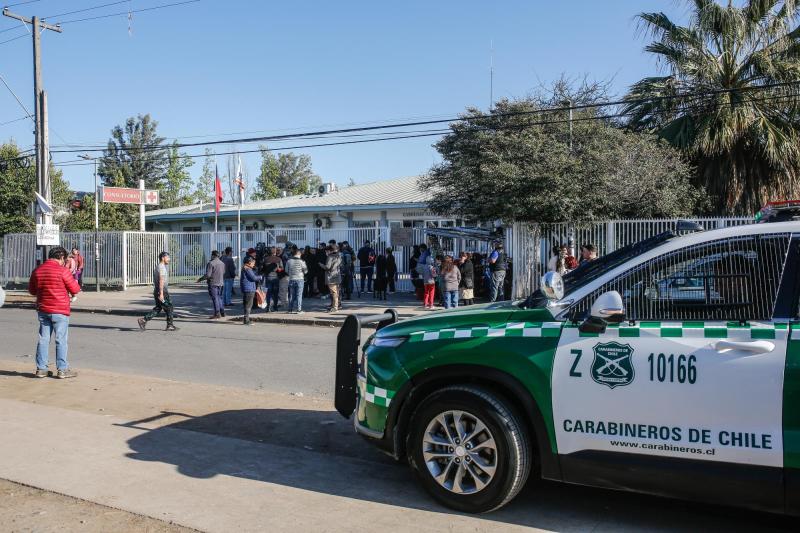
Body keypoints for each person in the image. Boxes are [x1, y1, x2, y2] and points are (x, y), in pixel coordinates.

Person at [28, 246, 81, 379]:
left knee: (43, 339)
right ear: (62, 257)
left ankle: (41, 369)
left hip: (43, 309)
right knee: (61, 340)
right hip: (60, 310)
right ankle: (62, 370)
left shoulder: (37, 271)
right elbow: (75, 288)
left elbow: (32, 291)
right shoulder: (63, 271)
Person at [139, 252, 176, 332]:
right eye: (167, 257)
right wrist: (162, 293)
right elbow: (161, 280)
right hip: (162, 292)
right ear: (163, 258)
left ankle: (143, 320)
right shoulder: (161, 267)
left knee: (159, 308)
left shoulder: (158, 266)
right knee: (169, 307)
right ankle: (169, 325)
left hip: (157, 291)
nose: (169, 259)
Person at [199, 250, 226, 319]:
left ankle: (217, 313)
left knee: (215, 298)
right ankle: (222, 312)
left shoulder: (211, 263)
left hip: (213, 283)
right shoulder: (222, 263)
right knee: (219, 297)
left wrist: (200, 279)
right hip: (221, 283)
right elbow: (223, 272)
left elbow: (208, 275)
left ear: (213, 255)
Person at [320, 243, 342, 312]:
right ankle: (335, 306)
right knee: (337, 292)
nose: (326, 252)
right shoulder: (339, 256)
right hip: (337, 276)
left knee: (333, 292)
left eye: (326, 251)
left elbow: (328, 267)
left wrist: (321, 265)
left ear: (329, 250)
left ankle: (335, 307)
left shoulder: (330, 257)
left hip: (331, 276)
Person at [286, 247, 308, 313]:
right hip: (300, 279)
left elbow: (286, 270)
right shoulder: (302, 261)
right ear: (298, 253)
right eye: (300, 253)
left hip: (291, 279)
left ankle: (290, 309)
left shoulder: (289, 261)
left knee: (291, 295)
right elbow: (306, 271)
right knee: (299, 295)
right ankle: (299, 309)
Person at [240, 256, 261, 325]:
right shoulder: (248, 269)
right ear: (249, 262)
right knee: (248, 305)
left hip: (247, 288)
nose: (254, 264)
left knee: (247, 305)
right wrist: (260, 277)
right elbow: (253, 278)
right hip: (249, 289)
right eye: (253, 262)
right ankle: (246, 320)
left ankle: (246, 319)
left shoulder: (245, 268)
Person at [262, 247, 283, 312]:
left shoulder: (265, 259)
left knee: (268, 293)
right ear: (275, 252)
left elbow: (263, 269)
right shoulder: (278, 259)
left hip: (268, 278)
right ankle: (275, 307)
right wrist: (277, 269)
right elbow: (282, 269)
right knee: (275, 293)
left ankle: (268, 307)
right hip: (276, 278)